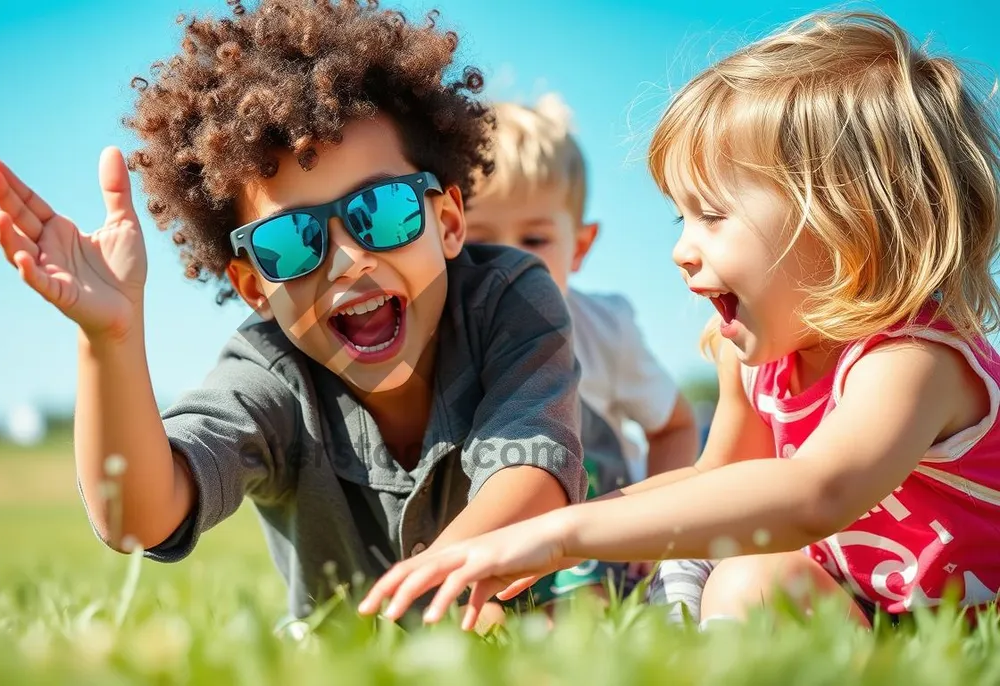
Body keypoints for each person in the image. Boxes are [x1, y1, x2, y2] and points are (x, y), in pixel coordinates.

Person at [357, 10, 1000, 632]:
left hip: (966, 633)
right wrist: (546, 532)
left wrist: (560, 535)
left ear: (847, 227)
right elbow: (714, 484)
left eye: (713, 215)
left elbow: (815, 493)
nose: (681, 250)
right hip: (860, 617)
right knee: (752, 580)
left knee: (750, 579)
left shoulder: (914, 362)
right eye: (680, 219)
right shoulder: (755, 361)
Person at [0, 0, 587, 627]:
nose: (349, 260)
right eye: (293, 242)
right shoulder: (269, 373)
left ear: (449, 221)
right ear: (254, 287)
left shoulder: (509, 298)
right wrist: (110, 339)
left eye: (382, 211)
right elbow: (140, 517)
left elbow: (530, 471)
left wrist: (425, 592)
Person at [464, 94, 698, 605]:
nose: (508, 263)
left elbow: (675, 426)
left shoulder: (605, 328)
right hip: (508, 543)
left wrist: (655, 525)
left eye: (534, 238)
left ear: (581, 246)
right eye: (481, 243)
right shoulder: (446, 335)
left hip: (604, 529)